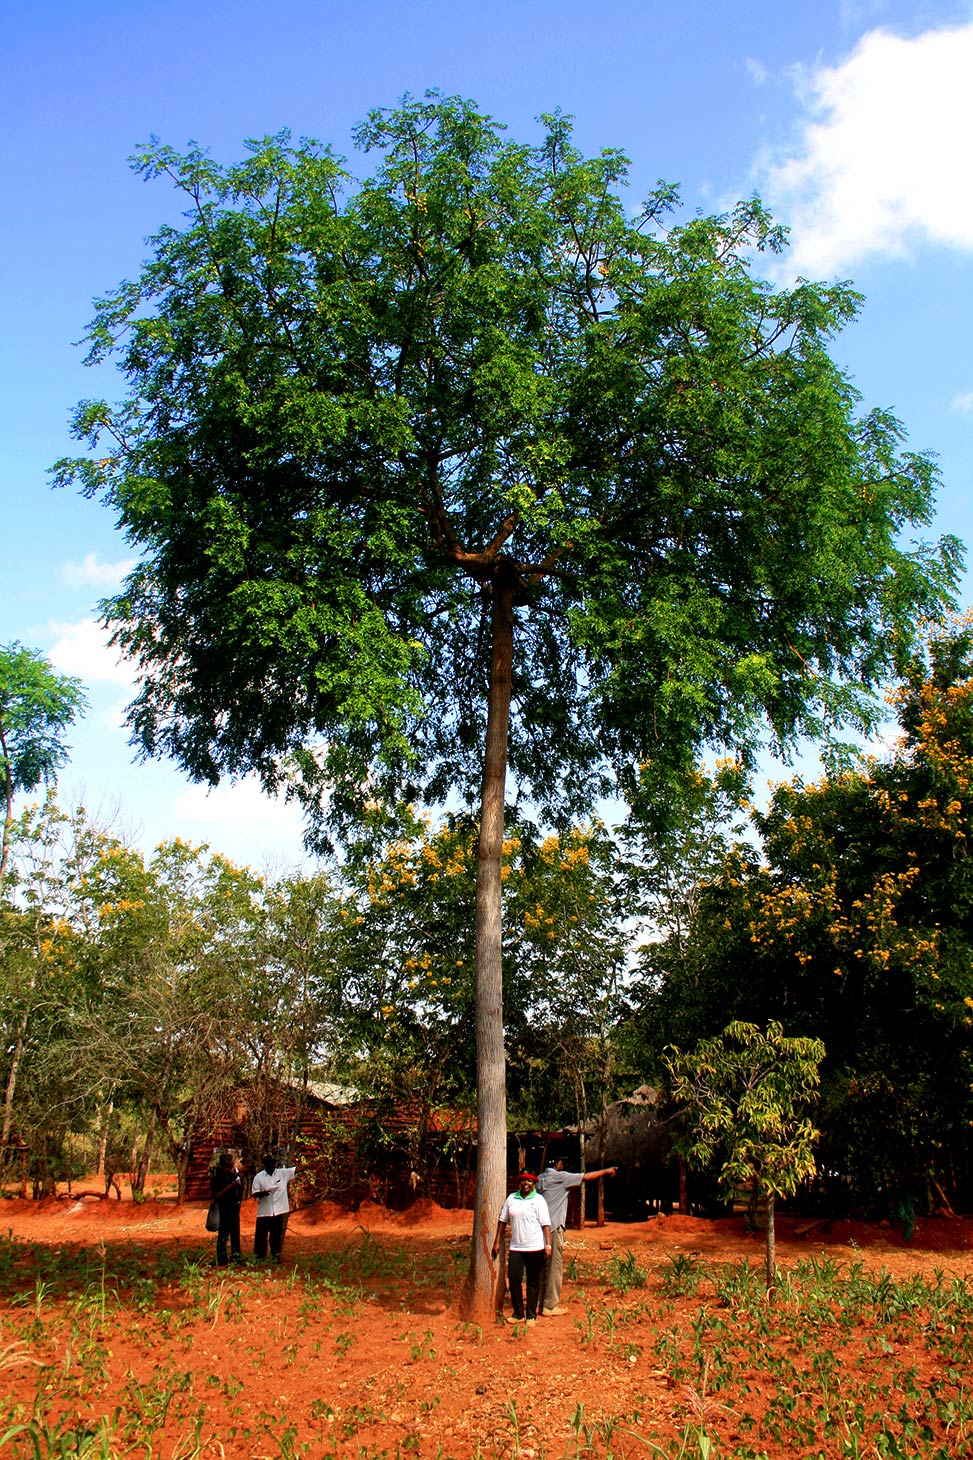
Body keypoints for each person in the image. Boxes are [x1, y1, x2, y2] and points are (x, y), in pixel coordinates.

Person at [536, 1157, 617, 1315]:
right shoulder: (561, 1177)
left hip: (538, 1229)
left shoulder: (540, 1179)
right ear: (557, 1163)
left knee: (540, 1267)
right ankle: (550, 1306)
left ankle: (538, 1302)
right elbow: (587, 1177)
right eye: (562, 1162)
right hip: (553, 1228)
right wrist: (606, 1171)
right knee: (554, 1266)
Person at [491, 1171, 551, 1323]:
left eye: (529, 1181)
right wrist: (497, 1240)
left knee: (533, 1281)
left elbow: (546, 1224)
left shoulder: (539, 1200)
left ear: (533, 1183)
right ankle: (518, 1313)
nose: (526, 1183)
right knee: (514, 1278)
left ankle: (531, 1315)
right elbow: (502, 1220)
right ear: (519, 1183)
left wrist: (548, 1245)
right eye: (523, 1180)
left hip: (535, 1247)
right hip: (516, 1247)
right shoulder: (512, 1198)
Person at [250, 1153, 297, 1263]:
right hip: (264, 1211)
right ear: (265, 1165)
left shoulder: (282, 1174)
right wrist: (263, 1193)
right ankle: (259, 1257)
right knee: (261, 1236)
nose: (272, 1166)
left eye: (273, 1164)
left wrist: (311, 1165)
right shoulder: (259, 1177)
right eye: (270, 1164)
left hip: (278, 1210)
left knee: (275, 1236)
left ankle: (275, 1257)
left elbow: (295, 1170)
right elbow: (255, 1193)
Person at [209, 1151, 243, 1267]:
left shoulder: (234, 1177)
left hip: (234, 1209)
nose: (228, 1168)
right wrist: (229, 1187)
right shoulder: (216, 1178)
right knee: (223, 1235)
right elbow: (215, 1196)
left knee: (235, 1234)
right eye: (227, 1166)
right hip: (223, 1209)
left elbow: (240, 1193)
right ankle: (221, 1259)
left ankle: (236, 1257)